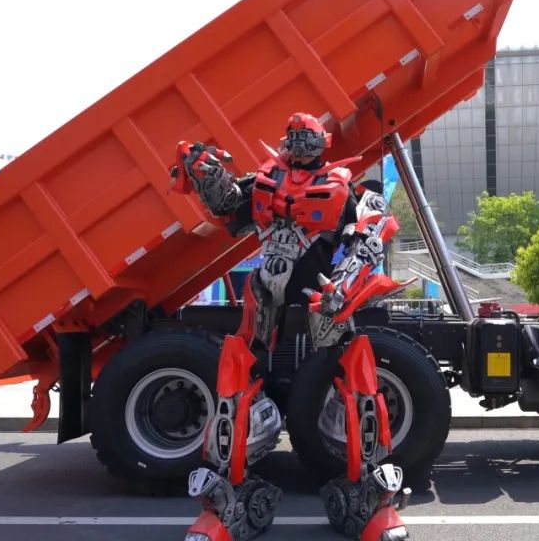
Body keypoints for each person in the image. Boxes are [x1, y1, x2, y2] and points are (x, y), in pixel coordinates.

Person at [172, 112, 410, 541]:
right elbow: (227, 203)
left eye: (308, 136)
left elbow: (371, 235)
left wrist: (344, 282)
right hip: (266, 294)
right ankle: (221, 503)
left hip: (325, 296)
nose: (300, 143)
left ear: (322, 142)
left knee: (359, 383)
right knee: (234, 381)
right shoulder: (264, 179)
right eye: (294, 136)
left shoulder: (344, 185)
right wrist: (204, 170)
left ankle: (376, 502)